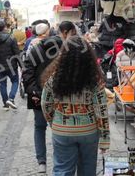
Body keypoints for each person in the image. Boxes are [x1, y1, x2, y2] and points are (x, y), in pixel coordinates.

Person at [41, 36, 110, 176]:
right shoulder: (94, 80)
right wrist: (104, 139)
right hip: (89, 131)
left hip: (62, 131)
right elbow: (101, 110)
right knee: (87, 170)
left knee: (62, 170)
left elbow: (45, 103)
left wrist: (53, 121)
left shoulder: (54, 78)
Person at [22, 21, 76, 174]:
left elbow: (27, 73)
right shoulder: (66, 50)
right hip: (61, 98)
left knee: (39, 127)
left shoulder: (35, 50)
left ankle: (41, 163)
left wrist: (36, 93)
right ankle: (61, 162)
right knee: (60, 129)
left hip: (38, 98)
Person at [0, 21, 21, 110]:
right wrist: (21, 66)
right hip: (12, 65)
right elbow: (17, 53)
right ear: (4, 28)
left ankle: (5, 104)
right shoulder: (11, 38)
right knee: (15, 81)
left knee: (3, 84)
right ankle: (11, 98)